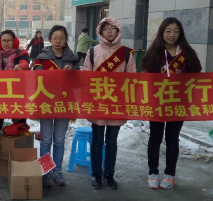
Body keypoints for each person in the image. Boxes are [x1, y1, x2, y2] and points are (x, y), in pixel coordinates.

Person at [141, 18, 202, 190]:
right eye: (168, 31)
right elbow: (146, 72)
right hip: (158, 102)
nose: (172, 34)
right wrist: (159, 73)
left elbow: (197, 73)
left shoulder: (187, 52)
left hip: (178, 102)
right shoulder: (155, 52)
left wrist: (183, 74)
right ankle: (153, 172)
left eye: (176, 31)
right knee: (155, 137)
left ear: (180, 33)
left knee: (172, 138)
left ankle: (170, 174)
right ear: (162, 32)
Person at [82, 18, 136, 190]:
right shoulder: (92, 52)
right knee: (97, 140)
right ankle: (96, 174)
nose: (110, 31)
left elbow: (132, 79)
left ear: (118, 31)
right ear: (100, 31)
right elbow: (86, 78)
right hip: (98, 104)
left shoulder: (126, 53)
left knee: (112, 142)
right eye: (106, 28)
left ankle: (109, 175)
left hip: (117, 104)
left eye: (113, 28)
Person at [33, 25, 79, 187]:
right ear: (49, 39)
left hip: (64, 104)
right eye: (55, 38)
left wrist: (71, 72)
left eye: (61, 38)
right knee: (46, 140)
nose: (58, 41)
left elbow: (78, 82)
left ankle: (58, 171)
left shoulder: (72, 59)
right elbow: (36, 78)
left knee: (59, 140)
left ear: (66, 40)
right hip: (46, 102)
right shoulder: (41, 58)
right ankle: (46, 172)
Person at [0, 29, 30, 133]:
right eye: (4, 40)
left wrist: (21, 66)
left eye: (9, 40)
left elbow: (25, 63)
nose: (6, 43)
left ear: (14, 41)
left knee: (19, 125)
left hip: (16, 93)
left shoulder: (21, 53)